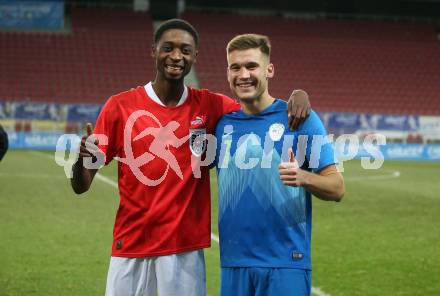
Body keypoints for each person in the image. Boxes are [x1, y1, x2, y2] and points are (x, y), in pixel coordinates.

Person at [70, 19, 311, 296]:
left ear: (195, 56)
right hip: (131, 246)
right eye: (168, 48)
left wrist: (297, 94)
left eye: (185, 50)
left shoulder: (211, 105)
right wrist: (81, 161)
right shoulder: (120, 106)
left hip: (184, 251)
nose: (176, 56)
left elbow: (257, 105)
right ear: (154, 51)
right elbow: (81, 185)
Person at [214, 34, 345, 296]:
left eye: (251, 66)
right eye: (235, 67)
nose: (243, 75)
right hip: (233, 264)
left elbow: (337, 187)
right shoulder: (221, 125)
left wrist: (303, 177)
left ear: (269, 70)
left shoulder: (300, 119)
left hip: (286, 263)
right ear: (227, 73)